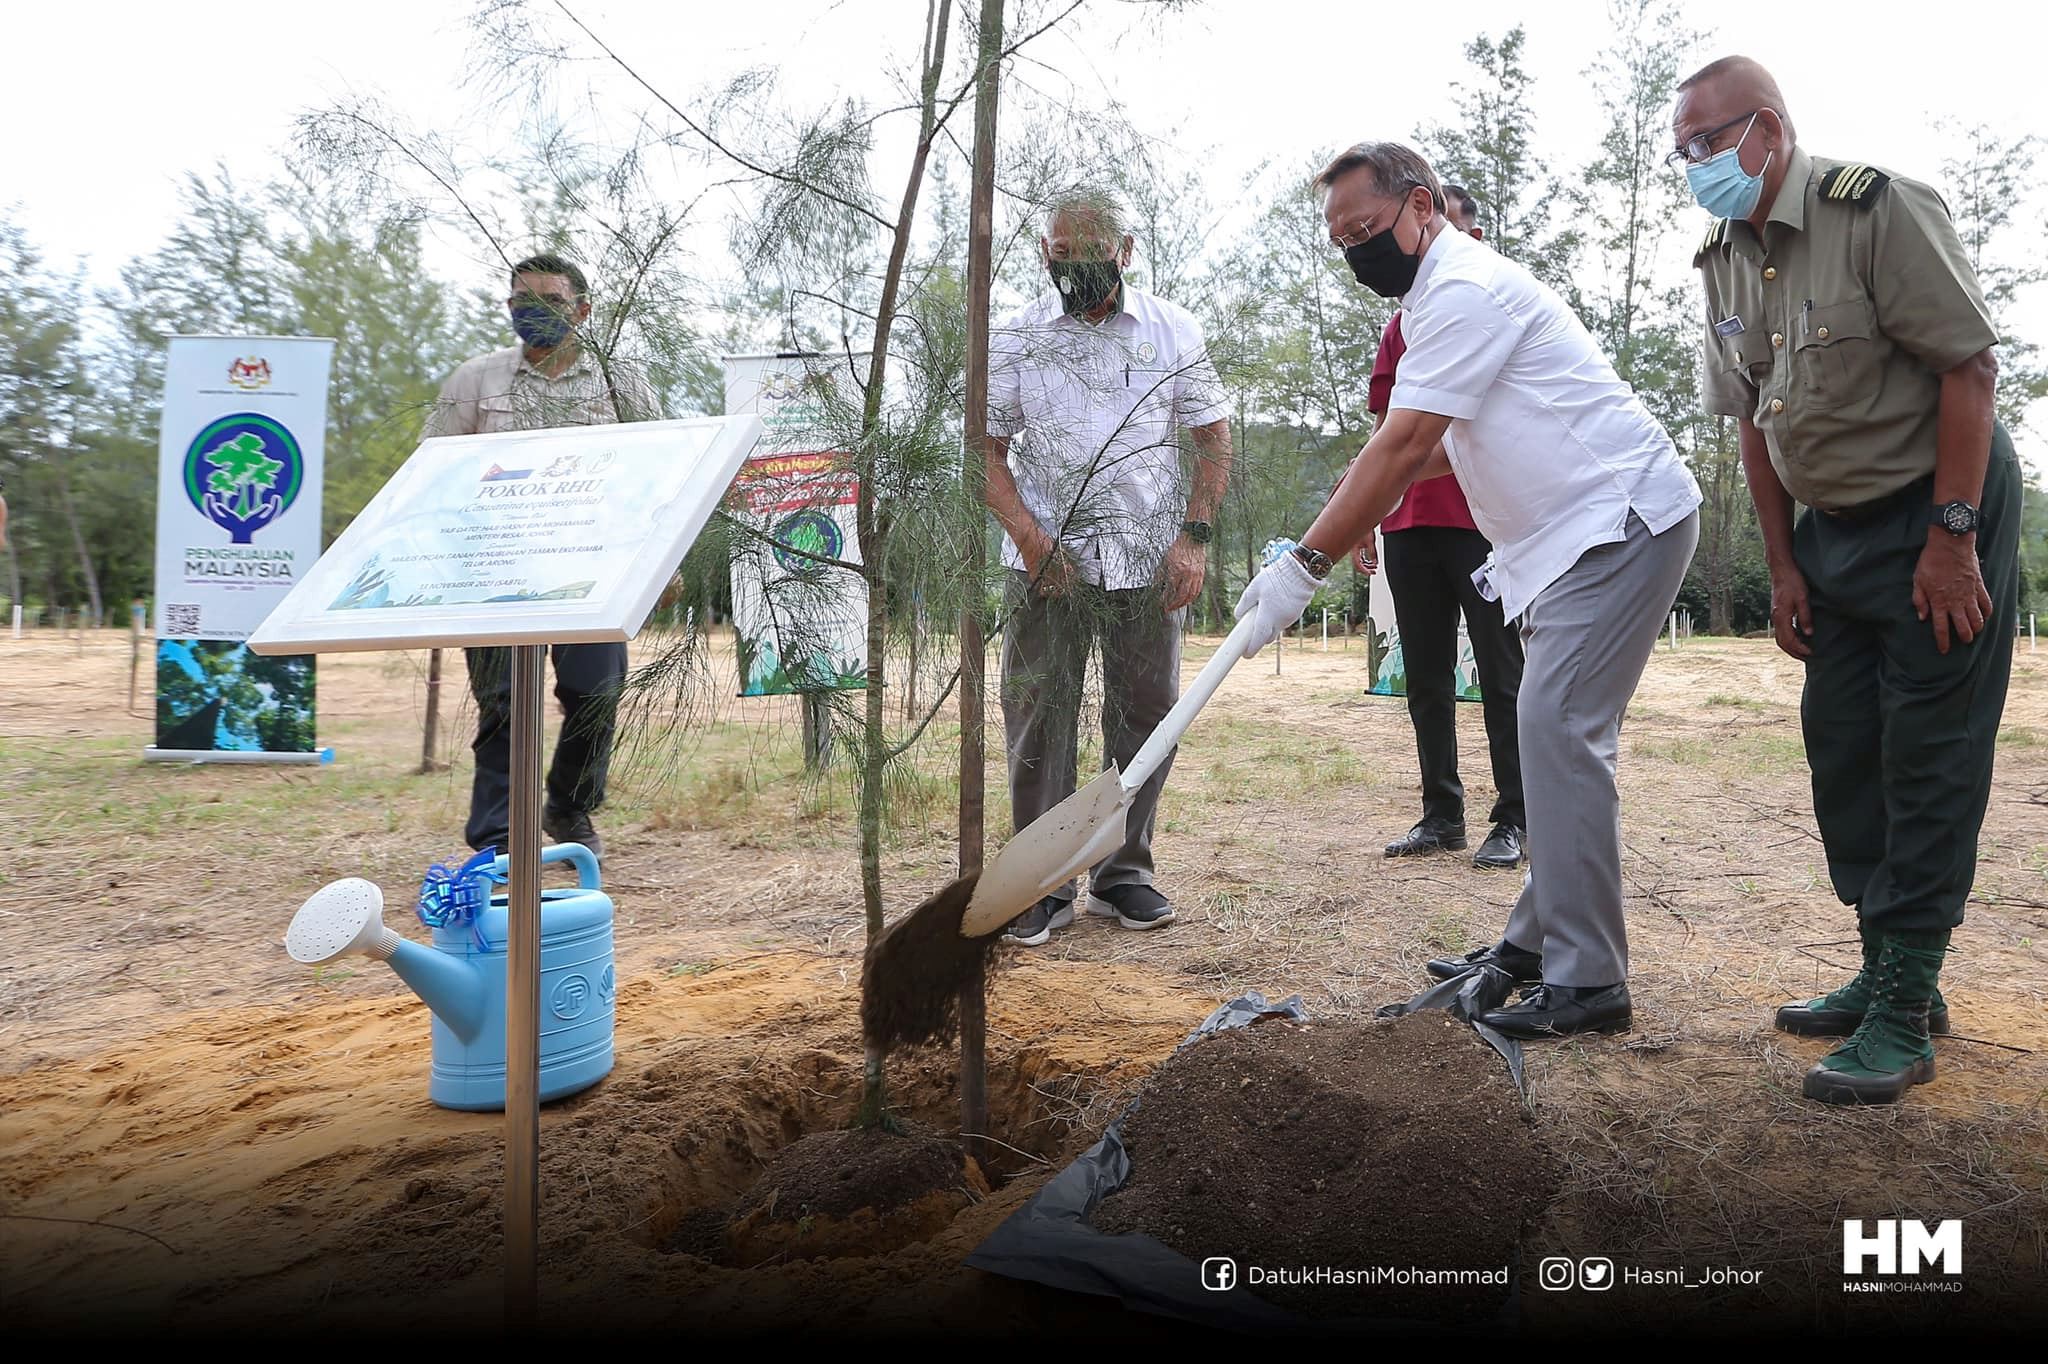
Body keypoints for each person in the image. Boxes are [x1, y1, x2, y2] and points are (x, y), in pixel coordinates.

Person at [1235, 142, 1700, 1039]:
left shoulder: (1462, 290)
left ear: (1420, 207)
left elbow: (1407, 445)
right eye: (1338, 241)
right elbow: (1435, 444)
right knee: (1550, 730)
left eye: (1364, 229)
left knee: (1560, 730)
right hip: (1568, 538)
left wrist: (1306, 562)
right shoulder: (1431, 299)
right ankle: (1533, 946)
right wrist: (1354, 507)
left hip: (1619, 518)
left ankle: (1589, 980)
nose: (1354, 251)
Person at [1679, 57, 2013, 1105]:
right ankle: (1883, 966)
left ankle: (1903, 1010)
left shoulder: (1874, 209)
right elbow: (1747, 422)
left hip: (1934, 511)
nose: (1691, 166)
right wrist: (1780, 563)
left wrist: (1950, 539)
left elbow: (1967, 368)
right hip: (1828, 533)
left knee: (1926, 751)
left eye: (1702, 144)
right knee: (1843, 748)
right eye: (1678, 152)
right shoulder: (1721, 258)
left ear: (1764, 129)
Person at [986, 191, 1234, 947]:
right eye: (1061, 254)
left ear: (1126, 251)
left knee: (1146, 714)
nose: (1077, 268)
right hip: (1045, 561)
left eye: (1091, 253)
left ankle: (1123, 875)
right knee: (1038, 717)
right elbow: (985, 452)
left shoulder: (1172, 330)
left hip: (1147, 560)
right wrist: (1032, 540)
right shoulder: (1015, 335)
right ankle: (1041, 884)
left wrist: (1193, 538)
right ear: (1043, 252)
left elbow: (1213, 438)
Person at [423, 252, 660, 861]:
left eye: (549, 302)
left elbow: (657, 476)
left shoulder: (621, 382)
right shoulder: (475, 380)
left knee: (597, 693)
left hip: (593, 570)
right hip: (496, 571)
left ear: (582, 310)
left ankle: (568, 806)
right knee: (504, 706)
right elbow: (433, 477)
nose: (533, 312)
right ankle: (496, 840)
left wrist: (664, 562)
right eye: (520, 301)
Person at [1355, 184, 1526, 871]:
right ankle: (1441, 814)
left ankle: (1516, 818)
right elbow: (1383, 433)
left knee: (1501, 670)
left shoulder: (1491, 306)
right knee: (1424, 675)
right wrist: (1368, 514)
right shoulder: (1400, 327)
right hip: (1409, 525)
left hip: (1482, 521)